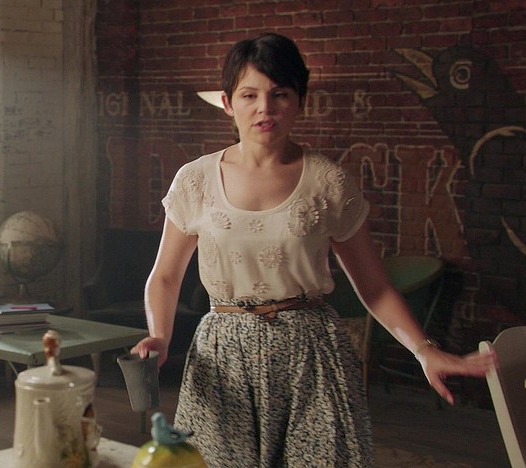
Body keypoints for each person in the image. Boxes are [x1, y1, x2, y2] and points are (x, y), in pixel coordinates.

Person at [130, 32, 498, 467]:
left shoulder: (329, 182)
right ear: (228, 103)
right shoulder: (195, 179)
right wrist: (161, 336)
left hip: (312, 355)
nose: (265, 108)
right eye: (250, 95)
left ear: (299, 101)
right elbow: (166, 275)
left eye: (280, 94)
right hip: (224, 352)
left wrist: (424, 350)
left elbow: (375, 286)